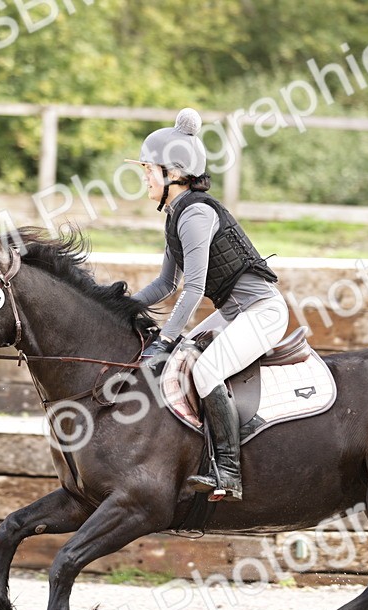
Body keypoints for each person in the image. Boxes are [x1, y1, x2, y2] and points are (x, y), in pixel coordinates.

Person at [129, 108, 289, 502]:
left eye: (149, 169)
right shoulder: (175, 214)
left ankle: (230, 471)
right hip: (236, 312)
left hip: (262, 313)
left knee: (205, 371)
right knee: (182, 358)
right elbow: (165, 284)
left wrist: (164, 340)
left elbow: (194, 289)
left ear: (174, 172)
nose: (145, 177)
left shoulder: (196, 214)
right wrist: (119, 306)